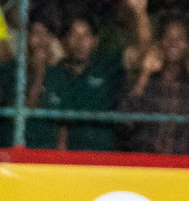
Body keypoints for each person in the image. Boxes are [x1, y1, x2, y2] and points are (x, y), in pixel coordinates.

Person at [24, 13, 123, 152]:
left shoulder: (106, 72)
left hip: (102, 155)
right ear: (63, 41)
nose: (80, 42)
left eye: (86, 35)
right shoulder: (51, 74)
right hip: (61, 157)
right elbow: (29, 114)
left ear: (95, 41)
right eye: (74, 35)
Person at [120, 15, 189, 155]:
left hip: (181, 161)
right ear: (159, 42)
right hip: (145, 159)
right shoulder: (146, 74)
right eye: (168, 38)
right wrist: (144, 75)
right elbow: (126, 119)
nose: (174, 43)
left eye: (180, 39)